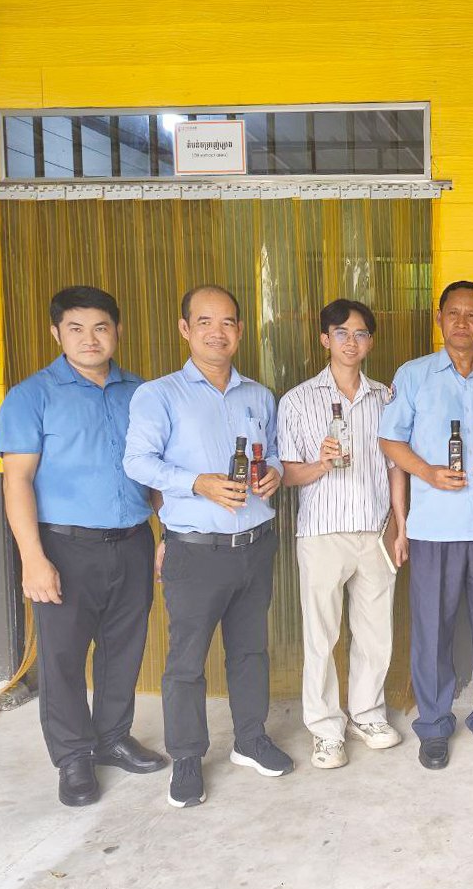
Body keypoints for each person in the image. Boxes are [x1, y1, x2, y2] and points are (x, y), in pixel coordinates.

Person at [0, 286, 165, 807]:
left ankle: (112, 738)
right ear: (57, 333)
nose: (90, 339)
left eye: (100, 327)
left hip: (133, 541)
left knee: (124, 648)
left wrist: (167, 535)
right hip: (63, 547)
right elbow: (17, 481)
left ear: (117, 330)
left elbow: (156, 472)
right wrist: (33, 558)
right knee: (63, 658)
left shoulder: (141, 393)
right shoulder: (32, 395)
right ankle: (72, 757)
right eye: (76, 328)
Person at [124, 284, 289, 808]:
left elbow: (275, 454)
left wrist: (274, 474)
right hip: (195, 550)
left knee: (250, 650)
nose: (218, 332)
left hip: (255, 544)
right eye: (205, 322)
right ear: (185, 328)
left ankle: (250, 739)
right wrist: (197, 483)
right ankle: (188, 757)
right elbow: (138, 462)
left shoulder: (259, 395)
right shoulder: (159, 394)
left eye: (228, 322)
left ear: (240, 330)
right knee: (187, 660)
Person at [379, 280, 473, 770]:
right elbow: (390, 440)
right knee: (432, 629)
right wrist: (426, 472)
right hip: (435, 526)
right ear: (439, 319)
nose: (462, 322)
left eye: (472, 315)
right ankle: (433, 724)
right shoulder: (414, 376)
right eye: (453, 313)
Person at [278, 299, 409, 769]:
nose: (351, 342)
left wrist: (401, 527)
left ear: (370, 342)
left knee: (375, 633)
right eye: (341, 333)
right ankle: (325, 729)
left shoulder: (386, 398)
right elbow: (286, 473)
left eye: (360, 334)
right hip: (322, 532)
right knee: (322, 636)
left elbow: (396, 467)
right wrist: (320, 463)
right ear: (324, 339)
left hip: (375, 531)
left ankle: (368, 715)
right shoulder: (297, 400)